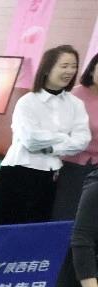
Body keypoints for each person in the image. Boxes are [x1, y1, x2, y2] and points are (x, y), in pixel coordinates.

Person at [0, 45, 89, 226]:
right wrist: (64, 138)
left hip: (50, 175)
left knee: (35, 231)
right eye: (64, 66)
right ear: (47, 68)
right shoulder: (28, 101)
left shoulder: (75, 104)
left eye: (74, 66)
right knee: (2, 228)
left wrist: (52, 147)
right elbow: (31, 140)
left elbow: (82, 141)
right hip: (18, 172)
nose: (70, 71)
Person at [53, 52, 98, 221]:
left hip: (96, 169)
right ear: (92, 70)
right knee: (65, 215)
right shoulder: (73, 96)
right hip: (71, 167)